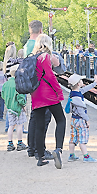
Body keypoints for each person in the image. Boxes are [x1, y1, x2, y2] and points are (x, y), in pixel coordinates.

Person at [30, 34, 66, 168]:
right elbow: (50, 76)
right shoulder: (45, 57)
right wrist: (59, 91)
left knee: (39, 125)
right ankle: (58, 149)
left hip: (36, 94)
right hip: (48, 93)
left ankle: (41, 157)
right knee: (61, 120)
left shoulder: (32, 57)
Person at [67, 73, 97, 163]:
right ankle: (86, 156)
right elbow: (81, 111)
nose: (82, 82)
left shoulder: (74, 93)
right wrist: (87, 119)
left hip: (73, 119)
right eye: (81, 81)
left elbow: (85, 88)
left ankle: (71, 155)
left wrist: (94, 83)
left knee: (73, 138)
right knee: (82, 139)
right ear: (78, 84)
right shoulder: (77, 97)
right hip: (80, 120)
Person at [1, 65, 28, 152]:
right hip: (18, 108)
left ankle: (10, 144)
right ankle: (20, 143)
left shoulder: (6, 84)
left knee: (11, 126)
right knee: (20, 125)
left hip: (9, 108)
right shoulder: (18, 84)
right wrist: (24, 105)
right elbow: (20, 97)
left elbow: (3, 95)